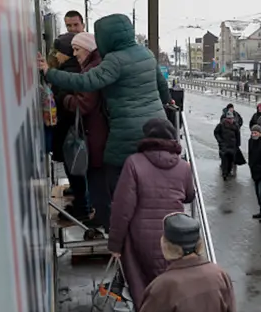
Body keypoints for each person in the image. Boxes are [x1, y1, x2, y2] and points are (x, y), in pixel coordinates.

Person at [38, 13, 173, 198]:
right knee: (151, 170)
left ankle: (117, 216)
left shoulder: (114, 60)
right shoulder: (146, 53)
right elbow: (162, 87)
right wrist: (168, 102)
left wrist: (49, 73)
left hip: (127, 129)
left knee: (111, 173)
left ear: (107, 37)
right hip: (157, 124)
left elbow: (85, 82)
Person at [107, 118, 195, 309]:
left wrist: (115, 244)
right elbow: (189, 196)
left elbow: (122, 208)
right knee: (171, 288)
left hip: (141, 239)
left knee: (144, 290)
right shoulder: (183, 167)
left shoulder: (133, 163)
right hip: (174, 237)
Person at [63, 32, 110, 229]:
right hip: (100, 131)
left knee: (97, 177)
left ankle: (103, 221)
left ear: (88, 48)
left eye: (77, 49)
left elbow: (84, 105)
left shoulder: (92, 69)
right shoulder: (97, 65)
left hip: (96, 133)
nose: (74, 54)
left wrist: (65, 99)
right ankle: (101, 217)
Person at [49, 33, 90, 221]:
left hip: (72, 131)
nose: (55, 55)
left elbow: (77, 103)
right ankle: (82, 205)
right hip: (72, 130)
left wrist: (59, 98)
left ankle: (82, 208)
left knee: (77, 170)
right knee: (76, 171)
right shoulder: (70, 68)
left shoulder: (70, 72)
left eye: (59, 51)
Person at [213, 111, 241, 181]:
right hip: (224, 146)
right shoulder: (221, 125)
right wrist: (220, 141)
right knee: (224, 161)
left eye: (231, 118)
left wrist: (238, 144)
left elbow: (238, 136)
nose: (230, 120)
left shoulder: (235, 126)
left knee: (231, 161)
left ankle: (228, 172)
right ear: (226, 118)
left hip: (232, 146)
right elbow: (216, 132)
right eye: (229, 118)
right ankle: (224, 174)